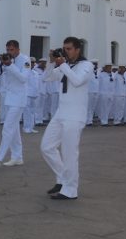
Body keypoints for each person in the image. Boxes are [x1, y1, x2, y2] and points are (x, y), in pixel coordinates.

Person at [40, 37, 94, 201]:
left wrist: (62, 64)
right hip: (60, 113)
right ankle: (63, 179)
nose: (66, 51)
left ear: (78, 49)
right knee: (46, 147)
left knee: (69, 153)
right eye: (64, 48)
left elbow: (77, 81)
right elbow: (47, 78)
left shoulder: (86, 65)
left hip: (74, 115)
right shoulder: (66, 66)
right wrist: (51, 62)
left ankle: (70, 190)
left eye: (69, 49)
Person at [0, 40, 30, 168]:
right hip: (10, 98)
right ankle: (17, 157)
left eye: (11, 50)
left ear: (17, 49)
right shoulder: (7, 60)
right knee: (14, 130)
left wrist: (10, 65)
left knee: (7, 128)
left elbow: (23, 79)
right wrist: (2, 63)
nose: (9, 52)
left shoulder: (25, 60)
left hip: (19, 99)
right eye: (8, 50)